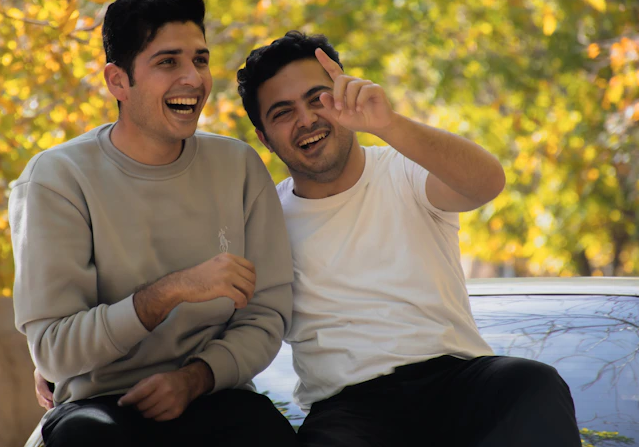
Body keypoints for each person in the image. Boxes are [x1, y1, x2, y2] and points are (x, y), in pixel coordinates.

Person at [234, 31, 581, 447]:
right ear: (264, 137)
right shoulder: (264, 219)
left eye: (318, 98)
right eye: (282, 112)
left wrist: (388, 124)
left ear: (343, 96)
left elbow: (488, 183)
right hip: (349, 410)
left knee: (533, 382)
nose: (306, 119)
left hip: (458, 381)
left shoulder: (405, 169)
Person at [9, 0, 297, 447]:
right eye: (168, 62)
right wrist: (170, 292)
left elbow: (266, 315)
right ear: (118, 81)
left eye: (200, 60)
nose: (193, 78)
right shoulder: (56, 179)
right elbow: (54, 350)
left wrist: (195, 378)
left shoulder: (238, 167)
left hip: (216, 396)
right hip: (99, 408)